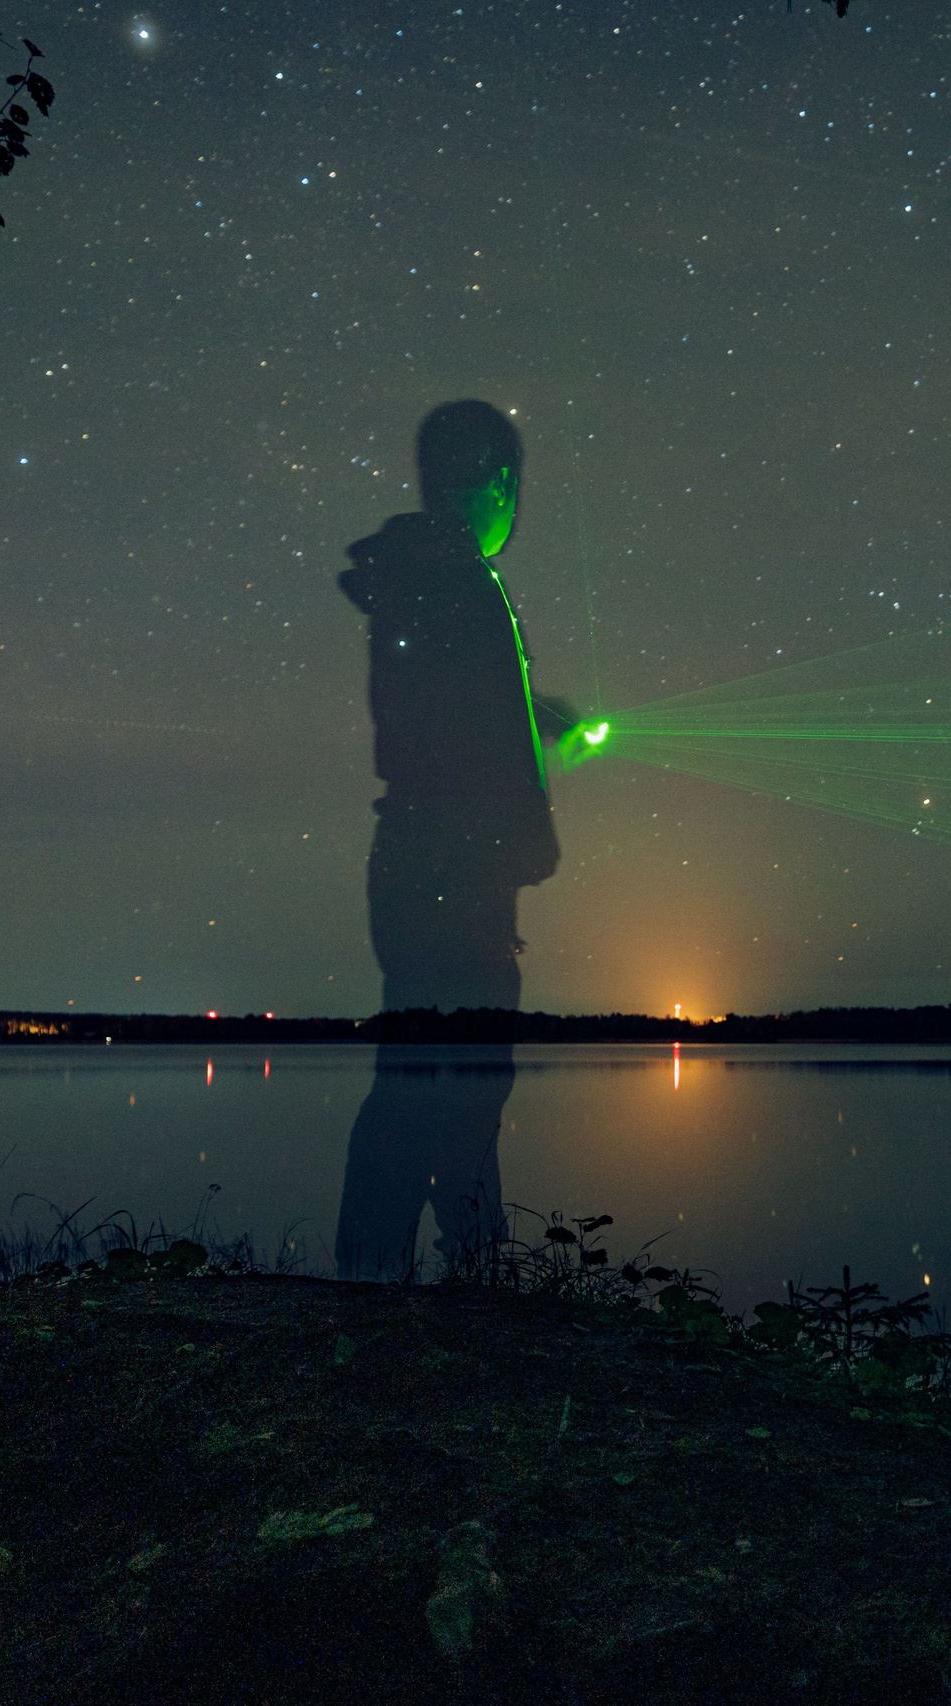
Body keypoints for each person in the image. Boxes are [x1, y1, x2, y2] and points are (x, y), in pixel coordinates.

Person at [333, 399, 573, 1277]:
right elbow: (461, 731)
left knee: (433, 1077)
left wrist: (529, 713)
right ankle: (431, 1280)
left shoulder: (422, 577)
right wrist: (524, 836)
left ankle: (437, 1276)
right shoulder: (459, 582)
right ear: (499, 482)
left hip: (421, 853)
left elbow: (438, 706)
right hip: (453, 862)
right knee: (453, 1083)